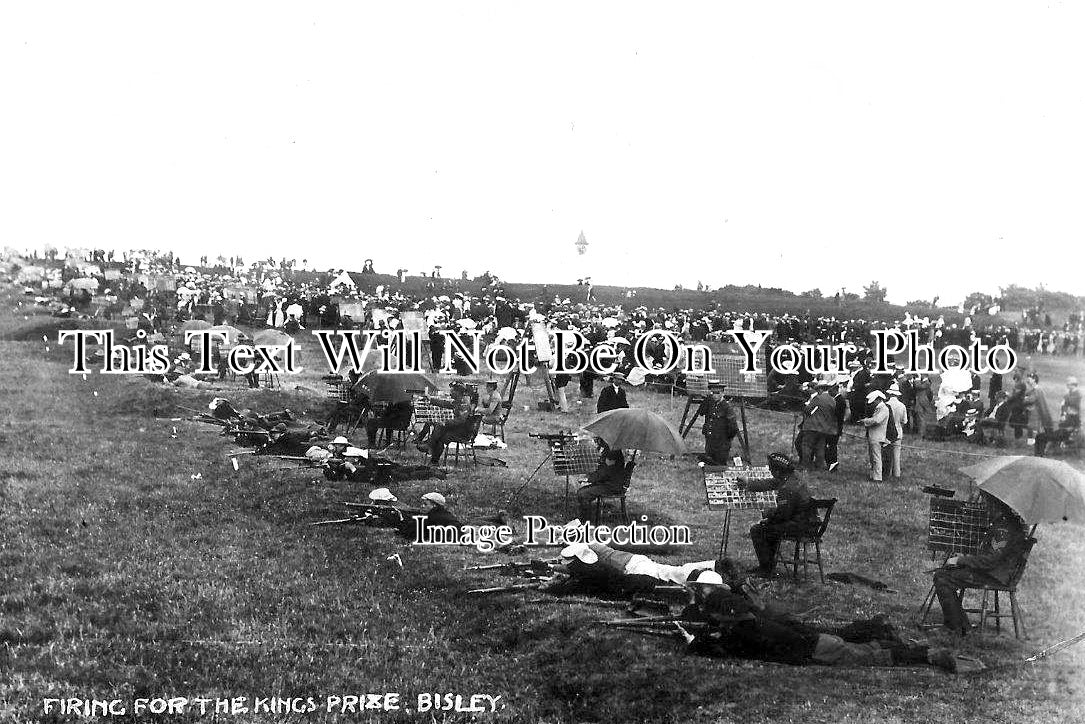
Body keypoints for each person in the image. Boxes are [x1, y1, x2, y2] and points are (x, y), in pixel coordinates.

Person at [684, 571, 957, 672]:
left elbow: (725, 646)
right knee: (865, 648)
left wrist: (696, 642)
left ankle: (925, 654)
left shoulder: (742, 629)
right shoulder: (750, 620)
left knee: (872, 656)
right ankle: (889, 636)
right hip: (815, 644)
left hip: (819, 649)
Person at [932, 493, 1031, 635]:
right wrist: (965, 560)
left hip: (994, 575)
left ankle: (955, 628)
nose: (985, 507)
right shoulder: (1005, 523)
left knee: (942, 578)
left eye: (987, 503)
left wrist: (960, 560)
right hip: (995, 572)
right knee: (945, 574)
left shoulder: (1004, 529)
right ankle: (962, 626)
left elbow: (989, 561)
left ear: (995, 505)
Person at [738, 452, 819, 578]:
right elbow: (771, 483)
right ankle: (770, 565)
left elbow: (782, 516)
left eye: (771, 469)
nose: (770, 471)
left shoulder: (788, 488)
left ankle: (766, 568)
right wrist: (749, 483)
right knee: (770, 528)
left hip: (800, 526)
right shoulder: (793, 476)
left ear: (777, 471)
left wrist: (768, 516)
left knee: (758, 530)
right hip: (809, 522)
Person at [576, 446, 628, 523]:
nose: (598, 442)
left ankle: (585, 522)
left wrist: (588, 479)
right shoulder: (610, 450)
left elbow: (605, 473)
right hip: (608, 483)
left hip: (611, 486)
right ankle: (586, 518)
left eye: (599, 439)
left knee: (583, 494)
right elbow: (603, 470)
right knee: (582, 491)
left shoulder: (613, 452)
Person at [1037, 376, 1080, 456]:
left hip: (1065, 431)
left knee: (1040, 437)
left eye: (1068, 384)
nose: (1067, 386)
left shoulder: (1075, 398)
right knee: (1043, 436)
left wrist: (1069, 427)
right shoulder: (1069, 396)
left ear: (1073, 385)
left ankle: (1039, 457)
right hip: (1063, 429)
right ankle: (1041, 455)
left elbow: (1074, 423)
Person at [697, 386, 739, 465]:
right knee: (709, 464)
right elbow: (701, 412)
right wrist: (706, 399)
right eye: (713, 393)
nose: (714, 395)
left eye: (717, 393)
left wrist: (726, 439)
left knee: (719, 465)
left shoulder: (727, 407)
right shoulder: (710, 403)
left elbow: (733, 427)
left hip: (721, 443)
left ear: (722, 393)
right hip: (710, 440)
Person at [800, 380, 836, 470]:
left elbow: (808, 409)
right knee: (820, 447)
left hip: (812, 426)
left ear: (820, 389)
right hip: (824, 428)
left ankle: (806, 466)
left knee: (807, 446)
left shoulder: (818, 398)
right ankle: (819, 466)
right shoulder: (833, 400)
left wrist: (804, 406)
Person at [858, 390, 890, 482]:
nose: (873, 403)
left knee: (876, 458)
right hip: (874, 436)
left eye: (874, 401)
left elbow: (877, 420)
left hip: (877, 436)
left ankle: (877, 477)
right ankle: (874, 475)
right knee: (873, 457)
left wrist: (865, 421)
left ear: (879, 399)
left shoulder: (883, 409)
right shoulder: (879, 408)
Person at [884, 384, 908, 479]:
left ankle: (887, 472)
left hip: (886, 432)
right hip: (898, 431)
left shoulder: (886, 405)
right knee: (896, 454)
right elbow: (904, 421)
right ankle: (897, 473)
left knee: (886, 454)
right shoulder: (902, 406)